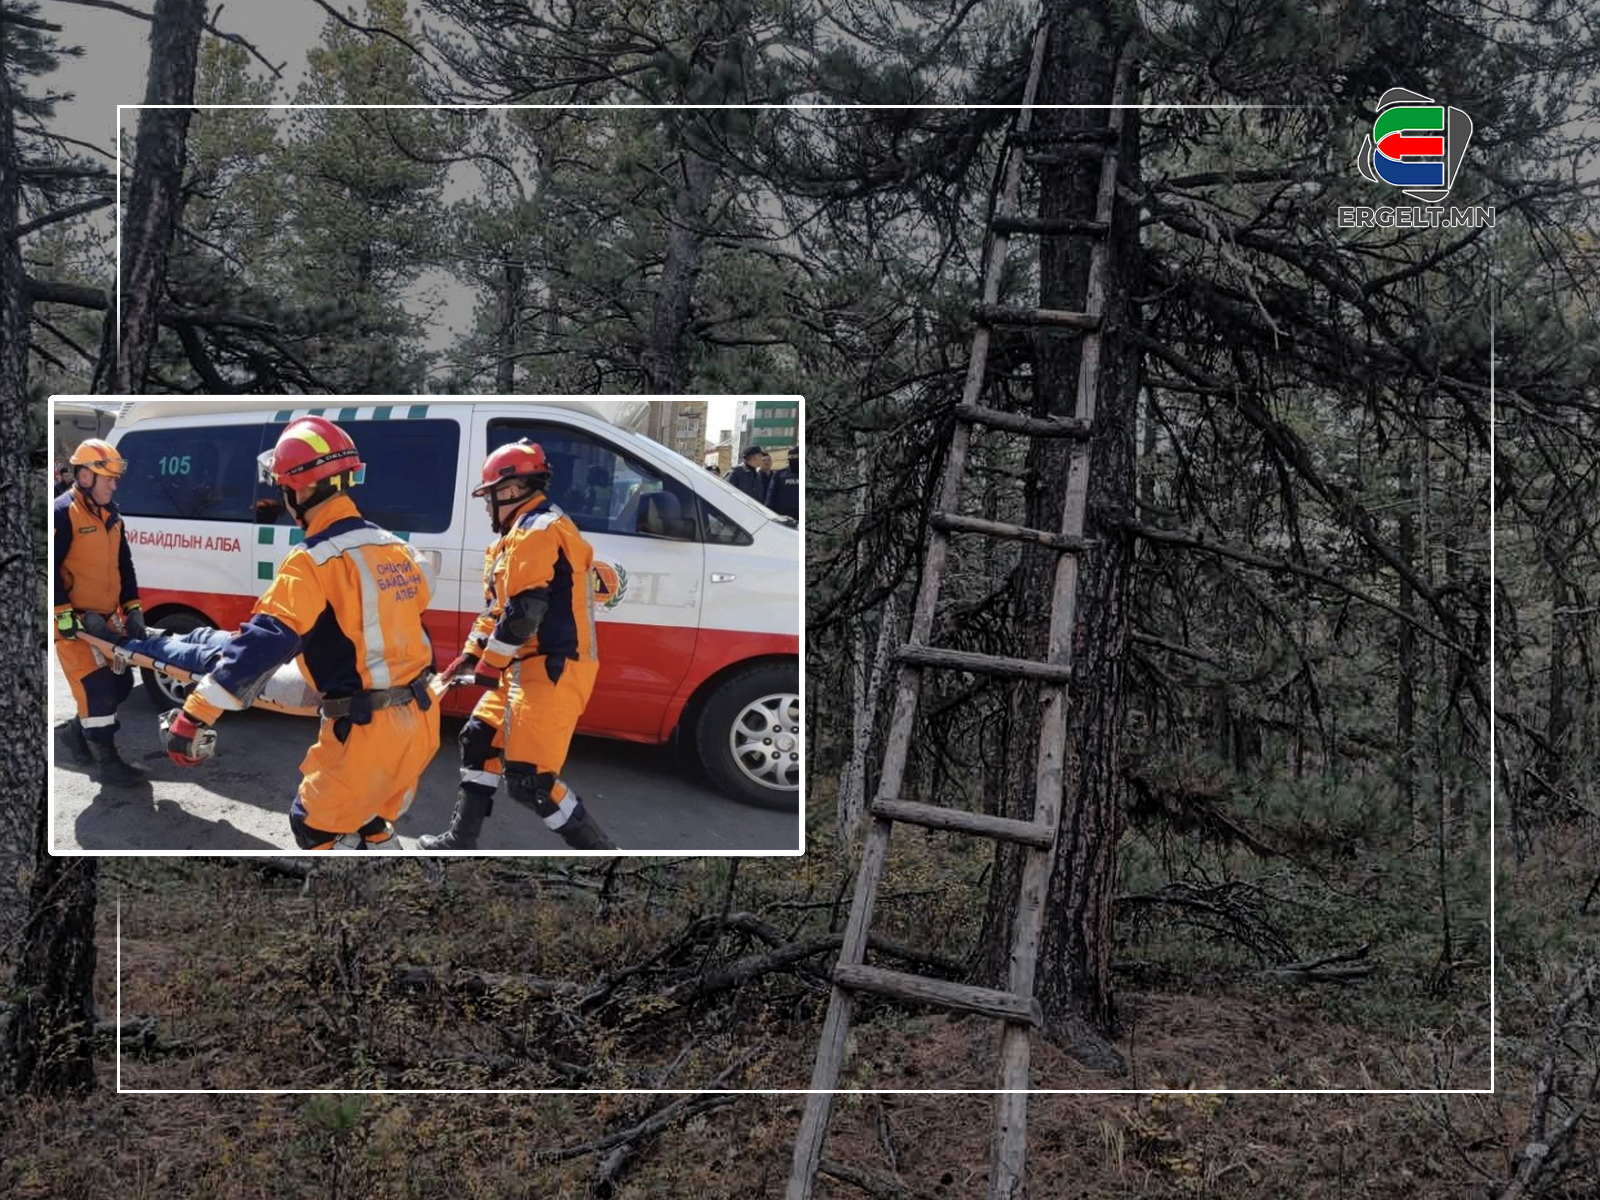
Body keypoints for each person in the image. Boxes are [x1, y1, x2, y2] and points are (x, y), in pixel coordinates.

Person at [159, 417, 441, 851]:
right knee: (369, 815)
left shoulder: (313, 560)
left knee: (314, 826)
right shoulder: (395, 547)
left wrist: (193, 715)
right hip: (421, 719)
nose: (283, 500)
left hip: (367, 730)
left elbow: (264, 642)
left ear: (302, 490)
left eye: (283, 488)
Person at [419, 438, 616, 852]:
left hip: (552, 667)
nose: (487, 507)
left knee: (532, 781)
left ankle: (605, 855)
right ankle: (460, 841)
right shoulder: (515, 537)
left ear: (510, 490)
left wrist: (489, 665)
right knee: (478, 740)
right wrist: (469, 655)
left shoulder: (536, 532)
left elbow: (527, 611)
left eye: (489, 497)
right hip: (525, 666)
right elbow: (500, 610)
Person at [53, 439, 149, 786]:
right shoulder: (62, 513)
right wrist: (65, 615)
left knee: (122, 683)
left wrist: (133, 608)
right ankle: (107, 764)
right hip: (74, 624)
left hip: (107, 622)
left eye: (115, 479)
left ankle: (74, 734)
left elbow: (125, 565)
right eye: (108, 478)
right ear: (85, 476)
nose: (113, 485)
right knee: (99, 691)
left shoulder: (113, 516)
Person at [765, 444, 800, 520]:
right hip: (783, 518)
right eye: (792, 457)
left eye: (798, 456)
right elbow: (771, 497)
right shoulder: (780, 475)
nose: (795, 459)